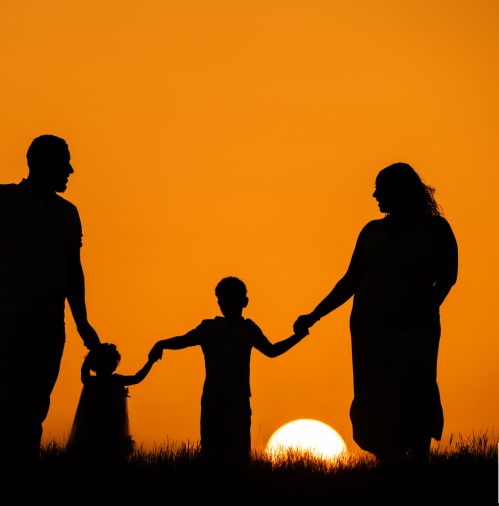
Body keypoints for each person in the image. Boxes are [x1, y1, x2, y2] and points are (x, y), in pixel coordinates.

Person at [0, 135, 101, 472]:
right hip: (6, 319)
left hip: (48, 323)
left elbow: (73, 272)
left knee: (33, 409)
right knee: (1, 407)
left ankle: (22, 476)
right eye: (64, 163)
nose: (70, 170)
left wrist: (82, 323)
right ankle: (1, 474)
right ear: (42, 164)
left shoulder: (68, 213)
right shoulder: (5, 198)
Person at [294, 162, 458, 465]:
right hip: (370, 329)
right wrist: (314, 315)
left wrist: (420, 311)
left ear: (401, 190)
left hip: (416, 327)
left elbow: (448, 277)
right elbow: (350, 281)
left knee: (415, 388)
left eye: (381, 187)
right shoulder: (371, 231)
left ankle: (420, 461)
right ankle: (389, 464)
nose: (374, 194)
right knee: (374, 396)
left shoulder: (436, 229)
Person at [149, 277, 309, 471]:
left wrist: (298, 337)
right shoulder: (209, 328)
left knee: (239, 455)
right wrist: (161, 344)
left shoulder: (248, 329)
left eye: (232, 300)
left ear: (244, 302)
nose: (228, 305)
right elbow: (183, 340)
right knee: (211, 454)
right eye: (224, 301)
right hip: (214, 399)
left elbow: (272, 351)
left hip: (237, 399)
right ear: (219, 303)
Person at [67, 343, 159, 464]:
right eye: (102, 364)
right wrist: (150, 362)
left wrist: (150, 362)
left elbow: (137, 378)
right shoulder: (100, 381)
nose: (105, 367)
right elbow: (137, 378)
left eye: (107, 364)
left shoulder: (92, 381)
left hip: (107, 427)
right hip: (100, 427)